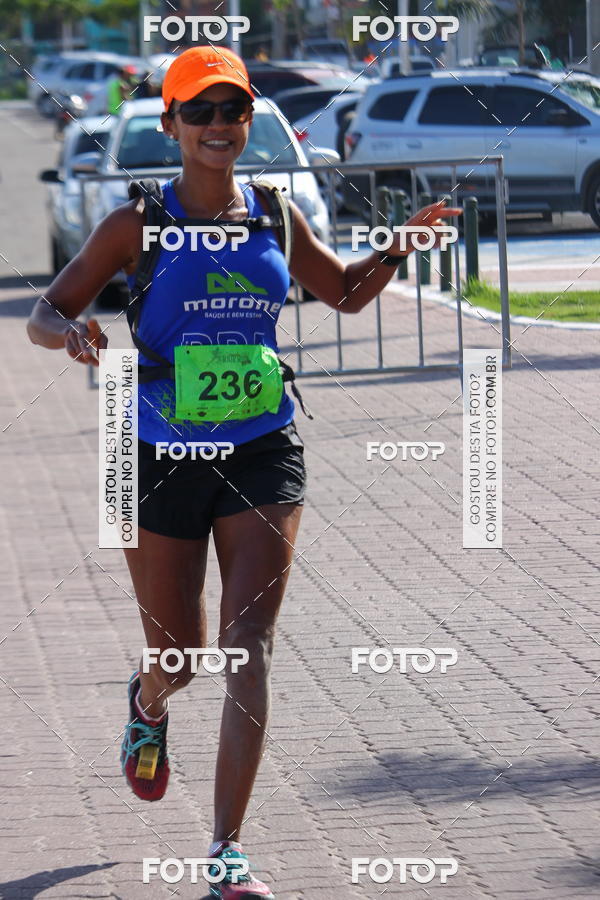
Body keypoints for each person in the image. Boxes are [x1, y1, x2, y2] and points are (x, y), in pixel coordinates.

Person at [26, 45, 460, 898]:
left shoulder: (275, 213)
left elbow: (341, 293)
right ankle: (148, 702)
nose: (221, 126)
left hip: (263, 445)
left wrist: (397, 248)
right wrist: (68, 335)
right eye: (202, 111)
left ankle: (226, 854)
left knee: (246, 648)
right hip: (149, 450)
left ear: (252, 120)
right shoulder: (136, 224)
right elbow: (47, 309)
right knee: (181, 659)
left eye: (235, 110)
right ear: (172, 125)